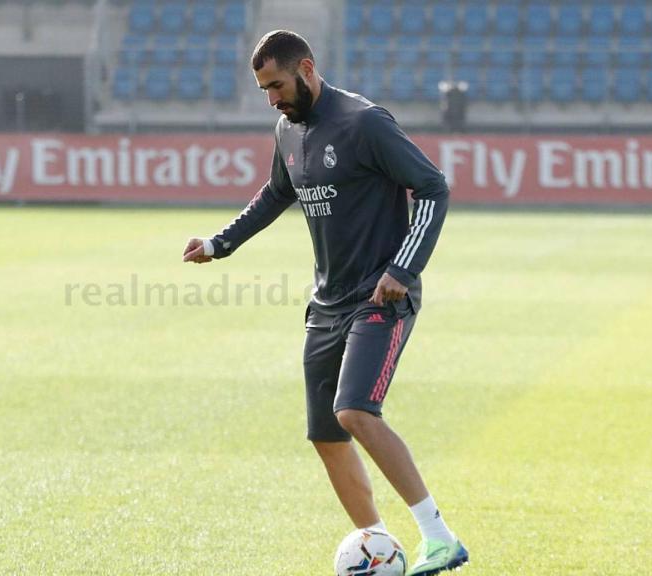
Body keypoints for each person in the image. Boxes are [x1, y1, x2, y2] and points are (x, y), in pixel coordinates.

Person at [181, 30, 468, 575]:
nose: (272, 98)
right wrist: (220, 244)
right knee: (326, 435)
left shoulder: (364, 123)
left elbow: (434, 187)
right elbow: (276, 193)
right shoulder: (288, 129)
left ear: (306, 68)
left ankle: (439, 537)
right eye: (264, 89)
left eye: (277, 85)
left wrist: (402, 270)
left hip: (380, 296)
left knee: (355, 410)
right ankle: (379, 548)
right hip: (327, 303)